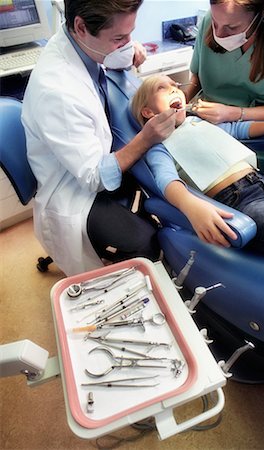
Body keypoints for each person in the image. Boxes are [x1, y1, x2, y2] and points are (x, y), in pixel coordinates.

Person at [21, 0, 179, 276]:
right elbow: (95, 177)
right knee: (148, 240)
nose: (127, 43)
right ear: (81, 27)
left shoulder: (82, 41)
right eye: (120, 38)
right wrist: (146, 138)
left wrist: (130, 46)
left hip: (95, 159)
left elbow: (114, 50)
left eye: (130, 33)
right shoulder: (57, 91)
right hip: (76, 191)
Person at [130, 75, 264, 261]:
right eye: (162, 88)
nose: (174, 89)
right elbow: (167, 180)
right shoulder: (159, 146)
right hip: (241, 203)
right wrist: (189, 204)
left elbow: (238, 129)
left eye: (176, 85)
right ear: (148, 112)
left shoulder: (199, 122)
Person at [185, 0, 264, 124]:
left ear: (263, 14)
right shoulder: (219, 16)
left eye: (232, 28)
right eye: (214, 23)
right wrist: (179, 98)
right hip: (208, 122)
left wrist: (232, 113)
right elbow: (197, 79)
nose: (218, 34)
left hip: (260, 126)